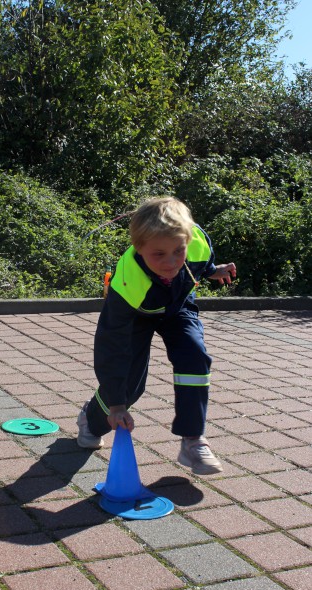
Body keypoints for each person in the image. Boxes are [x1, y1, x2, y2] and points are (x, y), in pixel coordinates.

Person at [77, 196, 236, 475]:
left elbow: (200, 263)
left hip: (177, 306)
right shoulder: (128, 283)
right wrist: (116, 405)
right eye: (159, 254)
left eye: (178, 251)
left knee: (194, 355)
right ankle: (91, 420)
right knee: (128, 388)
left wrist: (214, 271)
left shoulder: (196, 242)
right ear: (139, 248)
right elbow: (111, 347)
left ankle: (192, 439)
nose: (171, 262)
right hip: (138, 314)